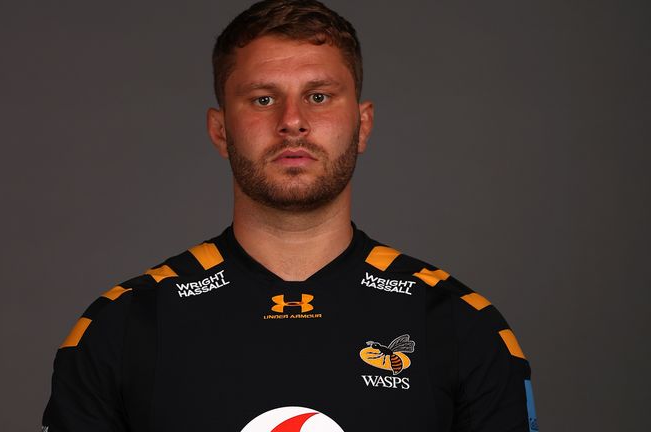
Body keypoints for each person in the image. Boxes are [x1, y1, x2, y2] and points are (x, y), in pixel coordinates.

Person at [42, 1, 538, 431]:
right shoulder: (122, 327)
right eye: (263, 99)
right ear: (220, 131)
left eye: (318, 96)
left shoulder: (460, 326)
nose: (292, 121)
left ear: (362, 125)